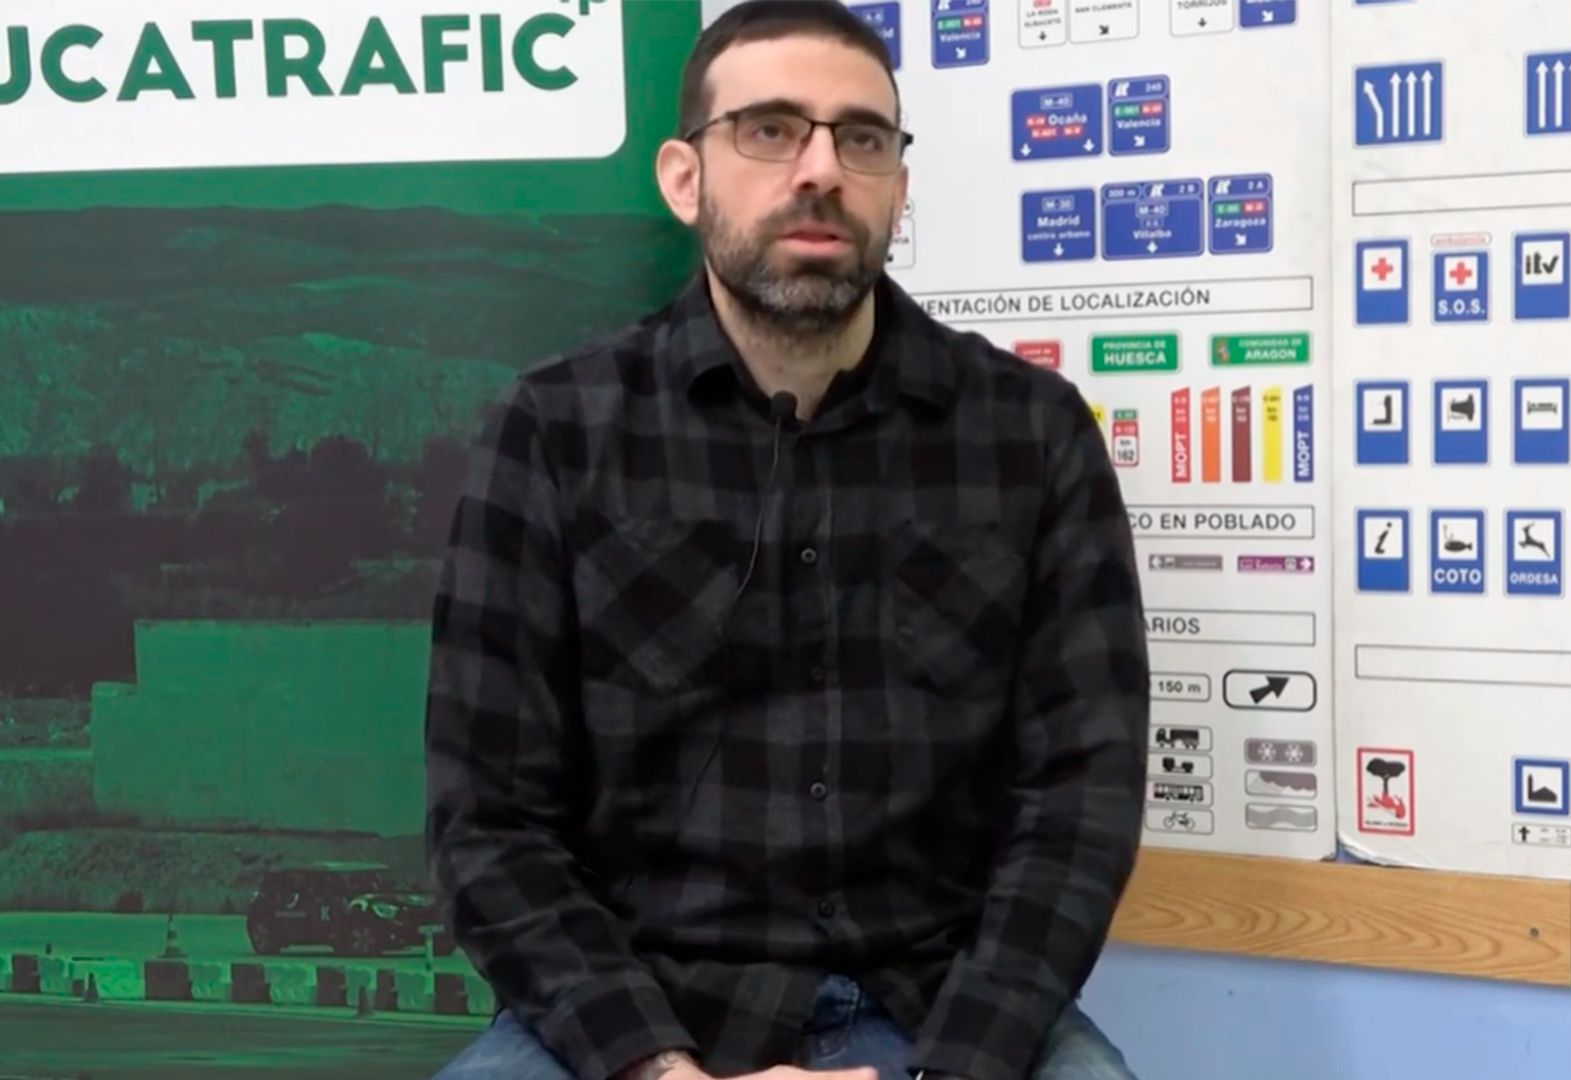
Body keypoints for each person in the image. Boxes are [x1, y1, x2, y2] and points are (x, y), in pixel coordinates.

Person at [423, 2, 1150, 1078]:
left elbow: (1082, 800)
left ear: (897, 184)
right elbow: (488, 819)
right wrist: (657, 1068)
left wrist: (951, 1069)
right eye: (769, 130)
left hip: (946, 1005)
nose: (821, 170)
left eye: (861, 138)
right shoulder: (556, 432)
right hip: (637, 1007)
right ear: (685, 178)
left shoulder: (1032, 435)